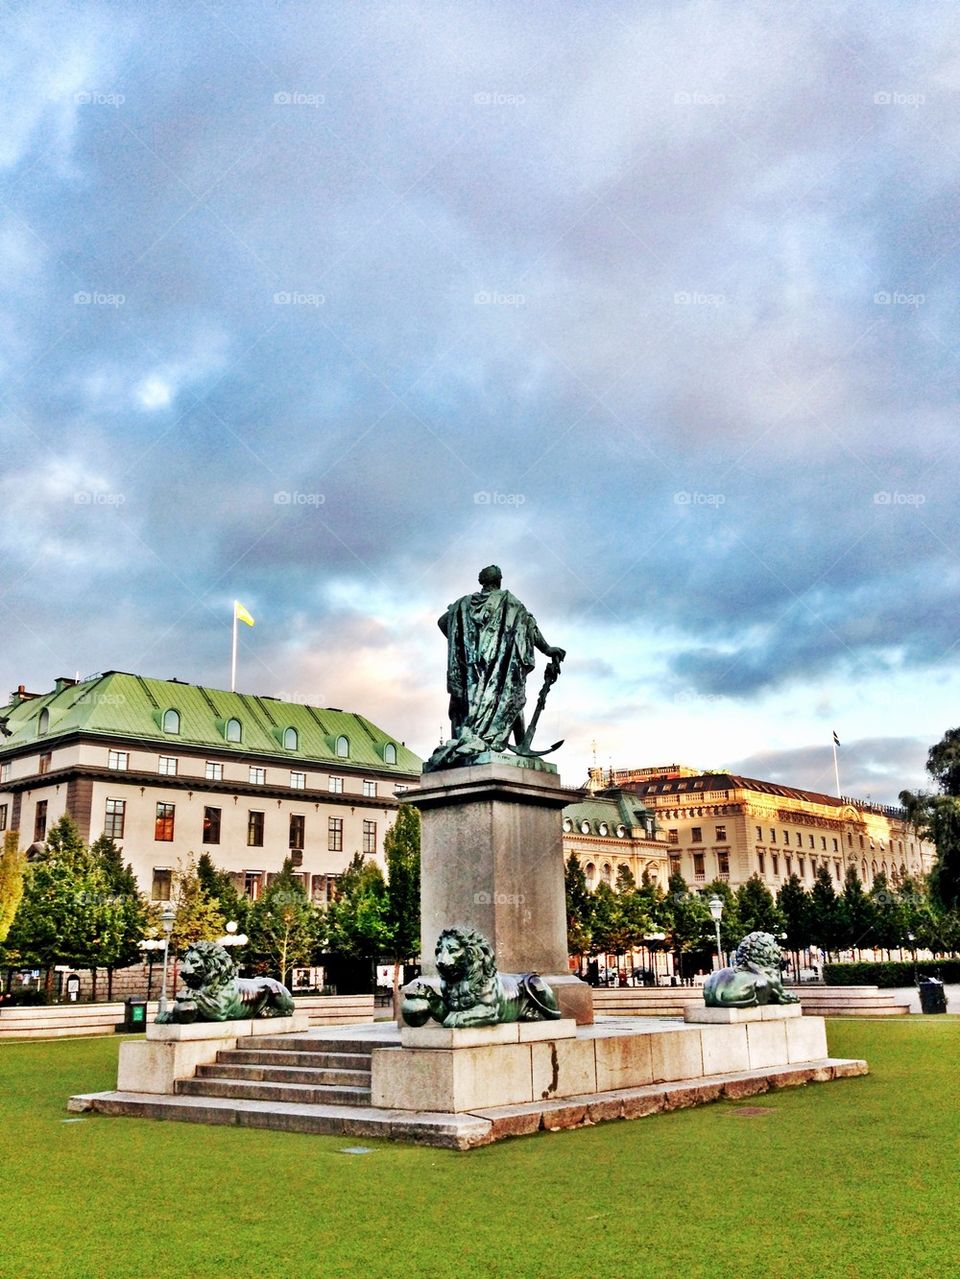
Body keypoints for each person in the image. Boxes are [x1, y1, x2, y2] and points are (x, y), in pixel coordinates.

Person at [426, 565, 565, 769]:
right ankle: (520, 747)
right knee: (511, 701)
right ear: (499, 581)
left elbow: (442, 622)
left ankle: (514, 746)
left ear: (481, 582)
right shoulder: (510, 602)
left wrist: (463, 643)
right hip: (501, 668)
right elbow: (529, 626)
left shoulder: (463, 604)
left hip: (472, 670)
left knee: (471, 707)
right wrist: (547, 649)